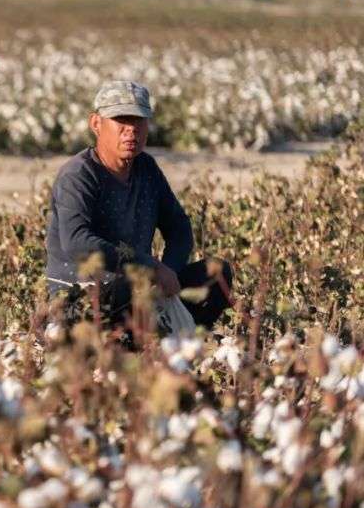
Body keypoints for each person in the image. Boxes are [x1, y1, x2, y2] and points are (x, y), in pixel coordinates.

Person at [45, 80, 234, 333]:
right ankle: (147, 337)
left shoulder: (146, 169)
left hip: (138, 289)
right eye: (121, 120)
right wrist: (151, 267)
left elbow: (179, 229)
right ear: (96, 124)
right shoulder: (78, 175)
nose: (131, 131)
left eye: (139, 121)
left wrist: (170, 273)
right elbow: (77, 242)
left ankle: (182, 344)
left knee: (217, 273)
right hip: (80, 300)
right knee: (122, 287)